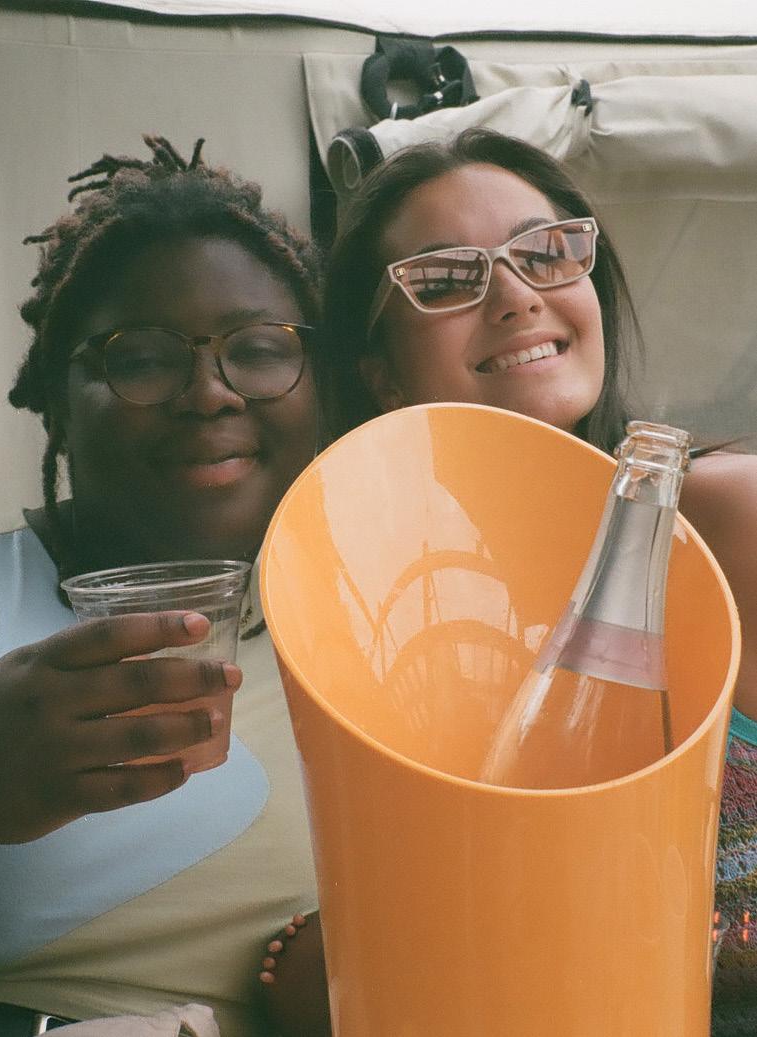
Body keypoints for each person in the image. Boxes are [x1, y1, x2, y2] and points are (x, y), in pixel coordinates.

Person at [260, 127, 757, 1037]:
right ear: (378, 370)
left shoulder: (725, 516)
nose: (517, 295)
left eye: (546, 251)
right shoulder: (375, 609)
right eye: (446, 277)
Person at [0, 133, 324, 1037]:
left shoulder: (378, 618)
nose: (208, 392)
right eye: (142, 358)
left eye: (258, 348)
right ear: (54, 395)